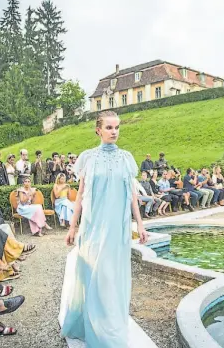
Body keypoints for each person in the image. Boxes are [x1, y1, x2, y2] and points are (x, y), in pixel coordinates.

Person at [62, 110, 149, 347]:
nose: (114, 132)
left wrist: (140, 224)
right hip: (93, 226)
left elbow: (132, 196)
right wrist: (73, 227)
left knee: (112, 277)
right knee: (93, 275)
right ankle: (90, 325)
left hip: (117, 228)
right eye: (109, 127)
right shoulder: (87, 158)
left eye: (117, 127)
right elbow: (80, 194)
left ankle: (110, 323)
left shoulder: (127, 158)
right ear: (98, 130)